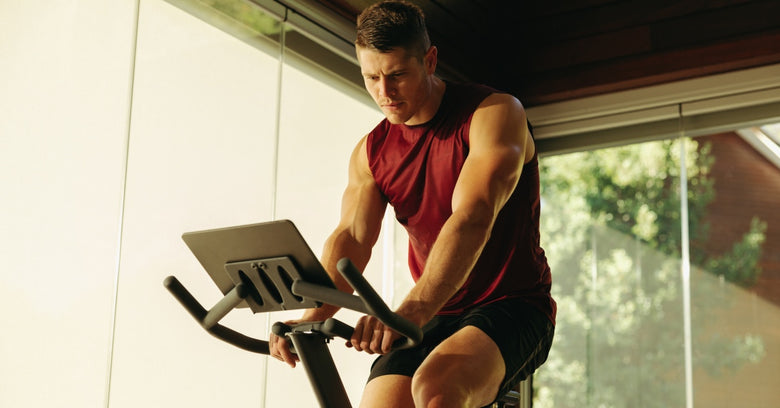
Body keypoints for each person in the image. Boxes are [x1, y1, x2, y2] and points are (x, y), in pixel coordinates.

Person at [269, 1, 556, 407]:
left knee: (436, 390)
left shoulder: (492, 114)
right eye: (371, 77)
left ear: (430, 60)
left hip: (512, 305)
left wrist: (415, 308)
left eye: (397, 75)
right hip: (436, 311)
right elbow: (352, 237)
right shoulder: (371, 152)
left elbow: (472, 217)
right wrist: (312, 316)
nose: (384, 93)